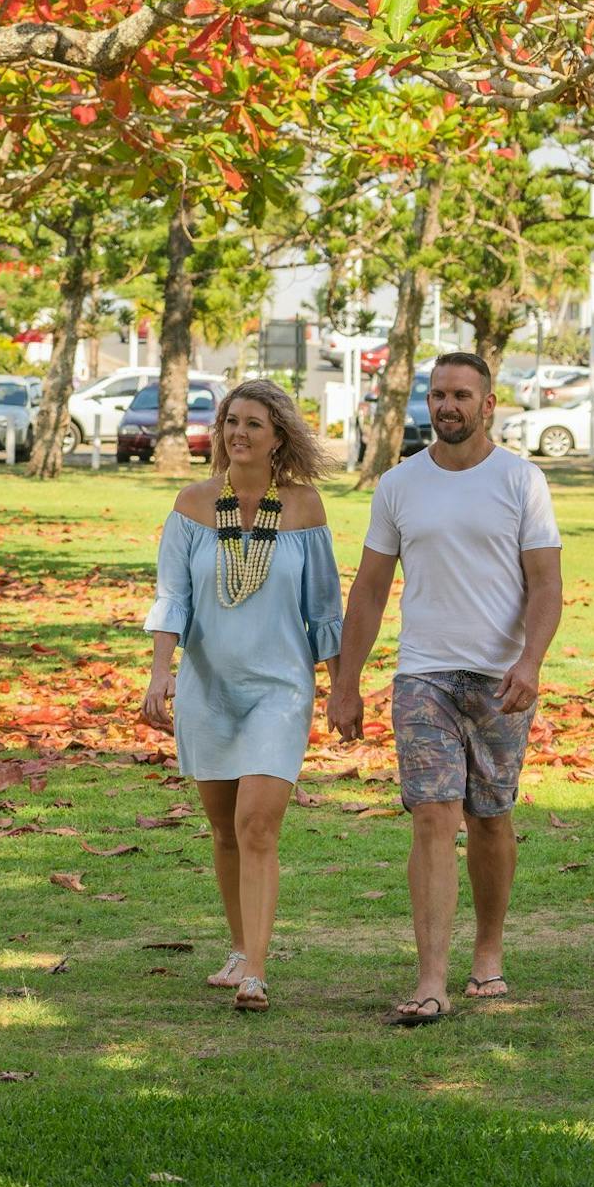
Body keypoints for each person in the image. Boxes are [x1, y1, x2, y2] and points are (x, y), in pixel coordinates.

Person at [329, 353, 563, 1027]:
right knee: (432, 815)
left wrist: (530, 661)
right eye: (437, 395)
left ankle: (487, 950)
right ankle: (430, 979)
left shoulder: (521, 479)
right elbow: (370, 589)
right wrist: (346, 680)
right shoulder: (400, 485)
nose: (446, 406)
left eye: (461, 395)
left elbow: (546, 584)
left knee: (490, 819)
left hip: (500, 678)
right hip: (423, 674)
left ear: (488, 404)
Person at [141, 378, 343, 1013]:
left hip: (280, 688)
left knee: (257, 823)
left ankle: (256, 970)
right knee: (225, 830)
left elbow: (324, 609)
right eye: (231, 421)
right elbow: (173, 597)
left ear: (279, 435)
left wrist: (343, 689)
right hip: (208, 688)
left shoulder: (304, 509)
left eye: (253, 423)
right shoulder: (193, 506)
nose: (238, 433)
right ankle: (237, 948)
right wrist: (159, 673)